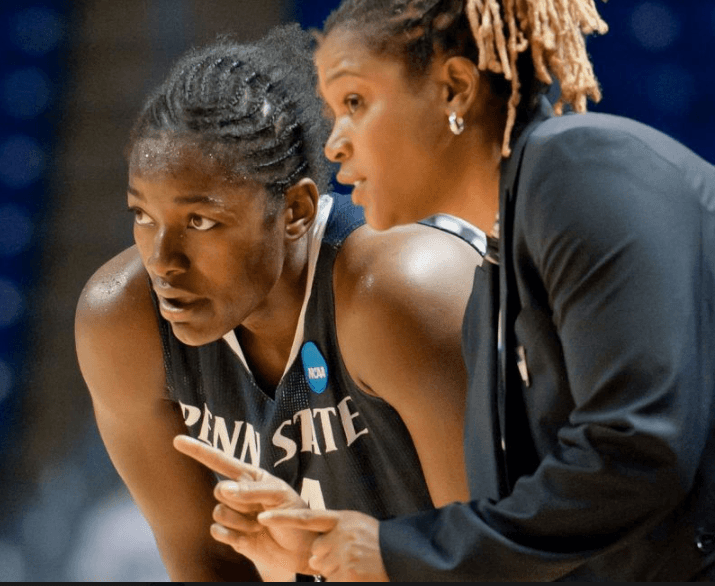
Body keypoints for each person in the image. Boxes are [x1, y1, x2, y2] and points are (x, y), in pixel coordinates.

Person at [190, 0, 715, 581]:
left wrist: (399, 551)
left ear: (454, 90)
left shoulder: (581, 166)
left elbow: (638, 454)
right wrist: (320, 554)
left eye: (355, 102)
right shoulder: (492, 283)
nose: (334, 144)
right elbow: (526, 531)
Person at [73, 24, 483, 581]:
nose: (162, 260)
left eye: (201, 221)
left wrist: (311, 565)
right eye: (143, 216)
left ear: (296, 211)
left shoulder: (402, 294)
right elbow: (208, 562)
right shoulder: (123, 322)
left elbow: (491, 562)